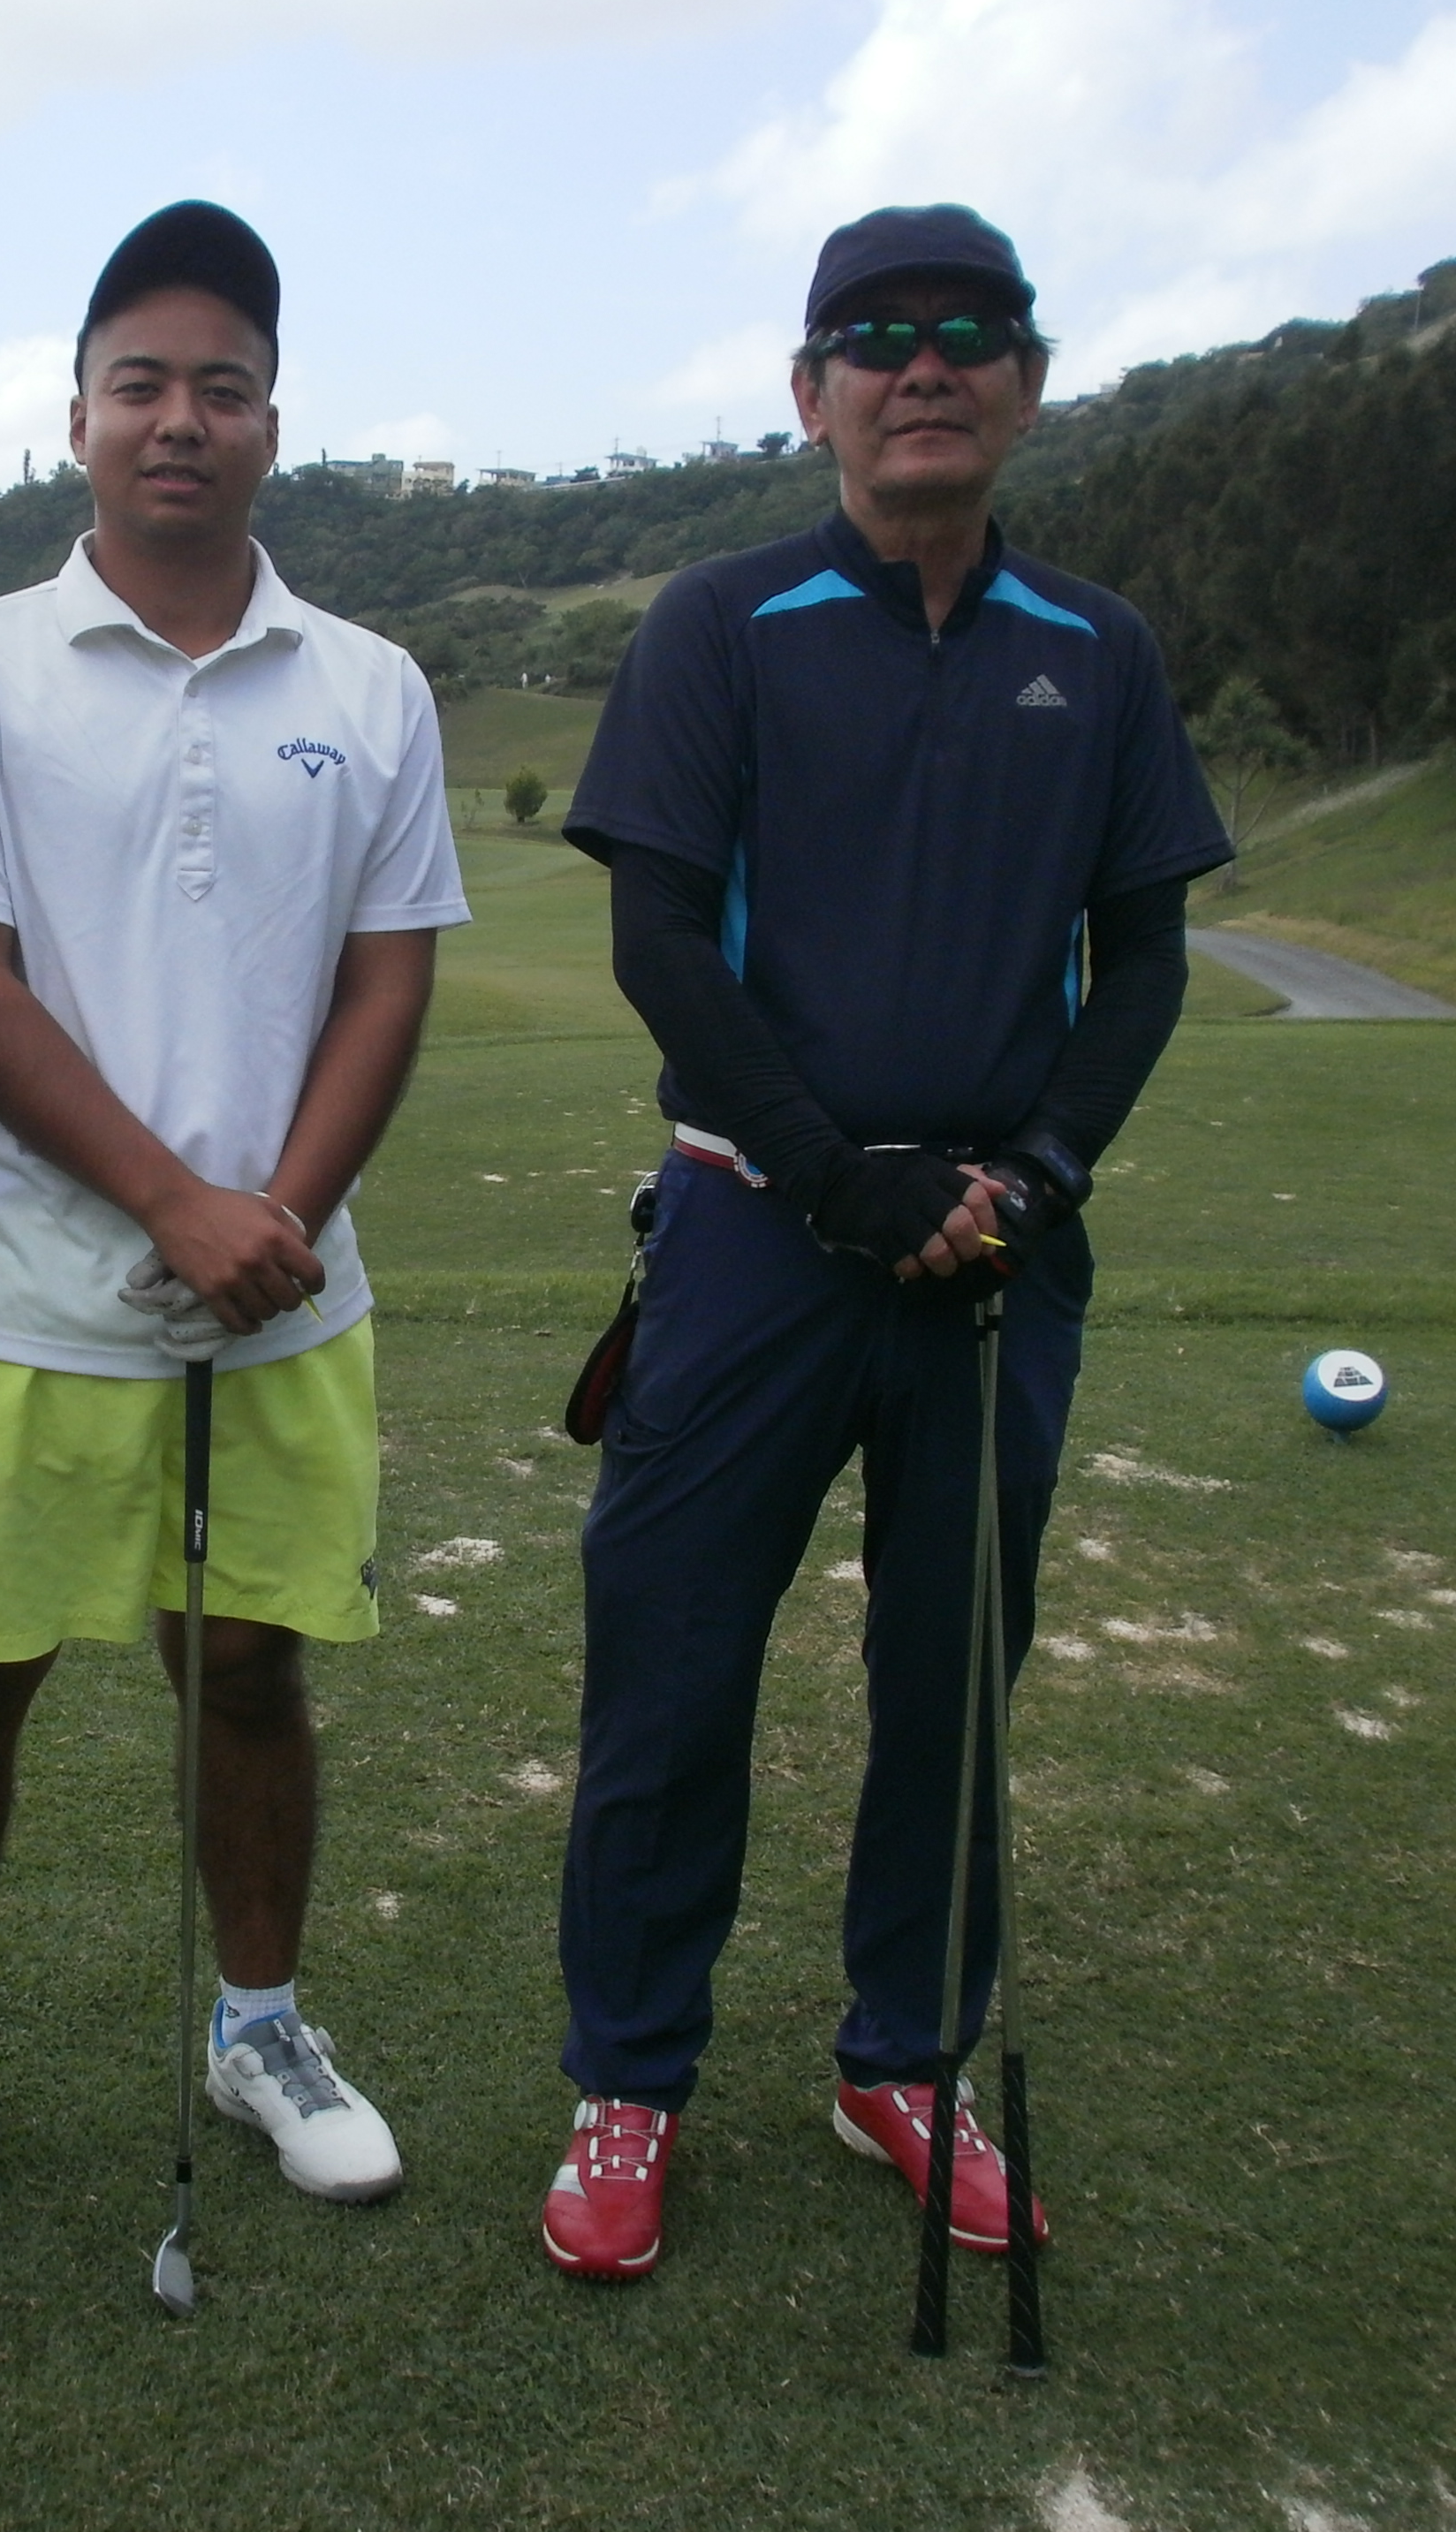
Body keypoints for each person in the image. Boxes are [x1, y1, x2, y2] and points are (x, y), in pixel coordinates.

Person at [535, 205, 1231, 2281]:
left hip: (995, 1251)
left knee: (949, 1679)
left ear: (1026, 380)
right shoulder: (719, 621)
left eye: (965, 331)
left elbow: (1142, 953)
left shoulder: (1092, 647)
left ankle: (902, 2059)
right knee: (669, 1668)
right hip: (756, 1233)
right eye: (873, 335)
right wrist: (835, 1175)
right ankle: (628, 2081)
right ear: (808, 390)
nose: (919, 365)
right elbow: (660, 933)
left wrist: (1040, 1171)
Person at [0, 201, 467, 2238]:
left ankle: (257, 2024)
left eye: (220, 386)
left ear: (272, 421)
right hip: (17, 1298)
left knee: (252, 1675)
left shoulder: (367, 683)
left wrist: (270, 1216)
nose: (178, 419)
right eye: (140, 385)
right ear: (77, 420)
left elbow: (386, 981)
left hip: (282, 1297)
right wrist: (171, 1201)